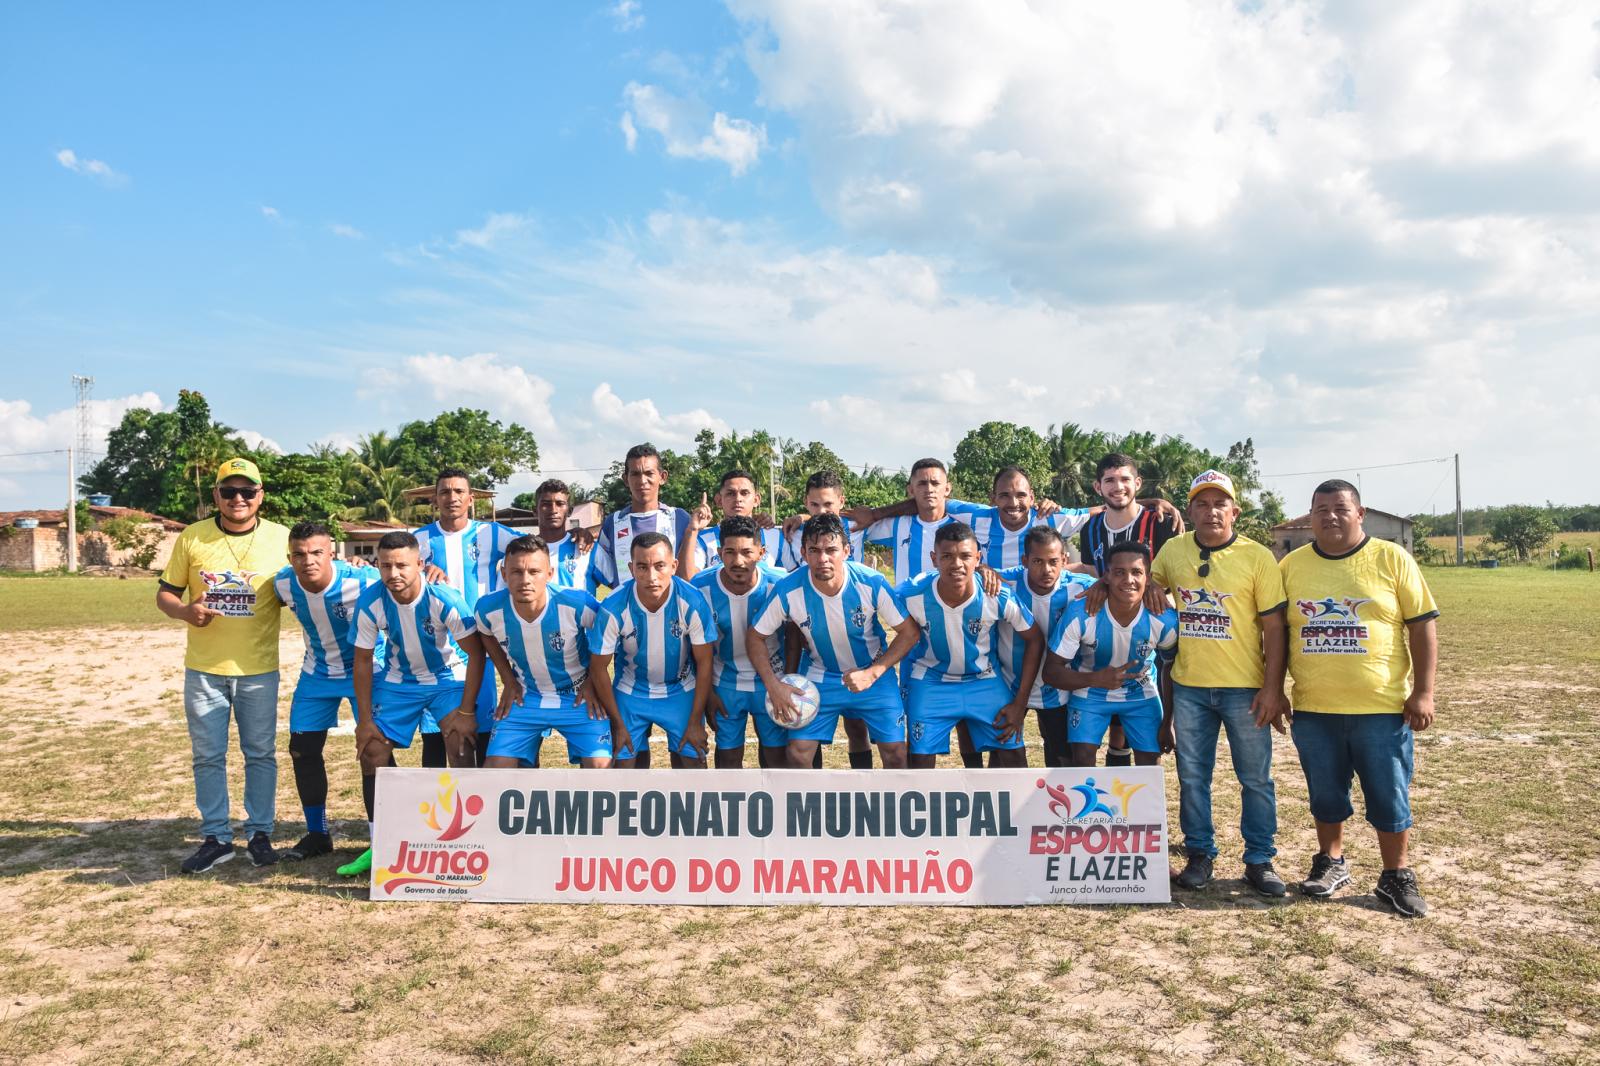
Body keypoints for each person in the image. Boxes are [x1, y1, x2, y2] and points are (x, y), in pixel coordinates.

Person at [1280, 479, 1438, 918]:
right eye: (1321, 509)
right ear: (1310, 516)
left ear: (1360, 513)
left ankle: (1396, 875)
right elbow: (1275, 633)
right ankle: (1331, 862)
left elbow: (1422, 626)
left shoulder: (1391, 558)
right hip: (1315, 706)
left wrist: (1423, 692)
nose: (1330, 516)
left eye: (1340, 508)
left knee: (1389, 795)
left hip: (1382, 707)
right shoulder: (1292, 566)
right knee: (1325, 793)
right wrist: (1274, 690)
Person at [1149, 471, 1290, 896]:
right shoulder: (1173, 550)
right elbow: (1147, 583)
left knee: (1255, 778)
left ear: (1235, 511)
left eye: (1219, 504)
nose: (1211, 511)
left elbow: (1275, 627)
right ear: (1189, 510)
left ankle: (1260, 859)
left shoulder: (1257, 556)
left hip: (1245, 688)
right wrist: (1154, 591)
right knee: (1193, 777)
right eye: (1202, 504)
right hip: (1190, 685)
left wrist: (1272, 688)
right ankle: (1199, 853)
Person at [156, 457, 292, 873]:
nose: (238, 498)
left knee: (260, 754)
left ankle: (260, 834)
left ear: (260, 496)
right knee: (208, 756)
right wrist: (185, 612)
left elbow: (307, 580)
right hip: (205, 668)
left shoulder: (281, 538)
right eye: (229, 491)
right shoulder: (193, 537)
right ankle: (216, 837)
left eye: (247, 491)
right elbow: (165, 593)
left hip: (258, 669)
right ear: (215, 495)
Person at [341, 531, 487, 879]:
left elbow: (476, 653)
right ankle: (380, 845)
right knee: (372, 749)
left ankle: (474, 840)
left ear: (420, 565)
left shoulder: (443, 597)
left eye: (403, 565)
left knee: (459, 743)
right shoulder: (371, 601)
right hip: (398, 683)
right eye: (386, 565)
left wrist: (467, 712)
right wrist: (364, 720)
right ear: (378, 566)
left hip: (445, 680)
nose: (394, 574)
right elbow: (362, 662)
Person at [749, 514, 918, 769]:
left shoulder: (871, 582)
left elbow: (909, 633)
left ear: (847, 551)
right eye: (814, 550)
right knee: (797, 753)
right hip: (820, 675)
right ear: (803, 553)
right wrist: (773, 685)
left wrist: (872, 673)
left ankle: (883, 808)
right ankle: (810, 809)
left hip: (872, 674)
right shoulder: (788, 589)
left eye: (831, 550)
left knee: (895, 753)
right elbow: (755, 636)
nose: (823, 558)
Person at [272, 521, 383, 862]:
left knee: (374, 751)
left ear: (331, 553)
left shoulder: (363, 581)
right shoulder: (283, 583)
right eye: (300, 554)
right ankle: (318, 833)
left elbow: (405, 587)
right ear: (290, 558)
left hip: (369, 671)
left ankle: (379, 838)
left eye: (317, 552)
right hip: (317, 672)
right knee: (302, 749)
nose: (309, 561)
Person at [899, 523, 1042, 769]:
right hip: (931, 680)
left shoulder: (996, 595)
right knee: (919, 759)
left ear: (978, 558)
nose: (957, 564)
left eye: (965, 556)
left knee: (1014, 756)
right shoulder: (910, 594)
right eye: (947, 556)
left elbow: (1035, 638)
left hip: (983, 679)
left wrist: (1020, 704)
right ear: (934, 559)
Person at [1077, 452, 1184, 767]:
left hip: (1149, 621)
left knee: (1142, 686)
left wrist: (1155, 589)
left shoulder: (1162, 521)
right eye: (1110, 480)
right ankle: (1117, 756)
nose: (1118, 486)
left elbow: (1173, 574)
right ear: (1098, 486)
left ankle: (1165, 724)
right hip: (1106, 624)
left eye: (1125, 479)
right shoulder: (1091, 527)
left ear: (1137, 483)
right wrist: (1098, 584)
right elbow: (1092, 569)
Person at [474, 536, 616, 768]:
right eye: (517, 572)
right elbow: (485, 634)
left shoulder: (577, 603)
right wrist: (508, 679)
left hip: (579, 696)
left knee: (600, 768)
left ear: (549, 574)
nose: (525, 580)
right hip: (526, 695)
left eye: (534, 571)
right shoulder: (488, 609)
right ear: (504, 574)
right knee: (494, 771)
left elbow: (609, 634)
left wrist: (593, 681)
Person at [412, 468, 520, 767]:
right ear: (435, 500)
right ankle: (436, 809)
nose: (452, 497)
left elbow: (536, 549)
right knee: (435, 737)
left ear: (471, 499)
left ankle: (482, 805)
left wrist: (578, 534)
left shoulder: (492, 533)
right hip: (436, 650)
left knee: (482, 730)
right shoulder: (419, 539)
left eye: (459, 491)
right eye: (445, 492)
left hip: (480, 646)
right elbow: (392, 564)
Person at [586, 532, 718, 768]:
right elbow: (598, 669)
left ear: (674, 566)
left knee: (694, 763)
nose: (652, 576)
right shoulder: (614, 606)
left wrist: (696, 720)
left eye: (660, 566)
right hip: (631, 690)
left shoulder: (692, 601)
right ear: (631, 568)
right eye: (642, 567)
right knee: (622, 764)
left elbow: (705, 661)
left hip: (680, 689)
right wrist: (617, 723)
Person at [1044, 542, 1179, 767]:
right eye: (1119, 572)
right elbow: (1051, 671)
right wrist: (1096, 679)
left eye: (1137, 572)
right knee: (1082, 763)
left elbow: (1172, 668)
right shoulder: (1082, 612)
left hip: (1141, 693)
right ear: (1105, 576)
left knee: (1149, 767)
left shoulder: (1163, 619)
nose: (1128, 580)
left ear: (1149, 577)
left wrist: (1168, 721)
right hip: (1090, 692)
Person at [778, 469, 875, 768]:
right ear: (806, 503)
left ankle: (863, 785)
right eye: (815, 506)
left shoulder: (857, 528)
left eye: (828, 505)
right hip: (809, 633)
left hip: (855, 636)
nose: (822, 511)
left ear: (841, 502)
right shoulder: (792, 535)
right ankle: (812, 789)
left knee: (857, 725)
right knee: (809, 718)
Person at [690, 516, 791, 769]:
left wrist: (787, 679)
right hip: (724, 683)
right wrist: (708, 693)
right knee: (728, 756)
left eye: (747, 552)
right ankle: (727, 808)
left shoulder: (780, 583)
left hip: (771, 682)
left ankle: (772, 807)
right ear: (719, 552)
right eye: (730, 552)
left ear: (761, 552)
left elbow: (795, 637)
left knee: (775, 756)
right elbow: (693, 647)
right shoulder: (700, 587)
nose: (738, 561)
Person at [995, 526, 1095, 767]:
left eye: (1053, 561)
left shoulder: (1083, 588)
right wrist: (982, 570)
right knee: (1007, 754)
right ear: (1025, 561)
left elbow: (1118, 584)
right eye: (1038, 561)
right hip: (1009, 682)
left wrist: (1105, 584)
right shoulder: (1002, 582)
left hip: (1059, 688)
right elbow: (975, 573)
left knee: (1061, 758)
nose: (1046, 569)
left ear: (1064, 560)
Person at [585, 443, 693, 595]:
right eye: (635, 474)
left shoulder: (679, 518)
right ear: (625, 479)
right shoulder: (613, 522)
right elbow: (604, 571)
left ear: (662, 477)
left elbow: (690, 571)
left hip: (672, 612)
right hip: (627, 613)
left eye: (649, 473)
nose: (642, 480)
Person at [947, 466, 1096, 570]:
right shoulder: (977, 517)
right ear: (993, 498)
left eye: (1021, 495)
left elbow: (1102, 510)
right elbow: (938, 502)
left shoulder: (1049, 517)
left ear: (1032, 497)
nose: (1013, 503)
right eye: (1005, 495)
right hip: (994, 605)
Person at [680, 469, 783, 579]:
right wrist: (692, 530)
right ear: (719, 500)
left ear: (756, 500)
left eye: (744, 493)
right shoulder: (703, 539)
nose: (738, 499)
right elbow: (688, 579)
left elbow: (795, 578)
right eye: (731, 493)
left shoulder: (775, 536)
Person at [530, 478, 593, 589]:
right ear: (535, 511)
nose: (553, 510)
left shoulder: (588, 548)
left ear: (569, 511)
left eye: (560, 504)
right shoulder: (521, 552)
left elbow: (620, 584)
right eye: (546, 504)